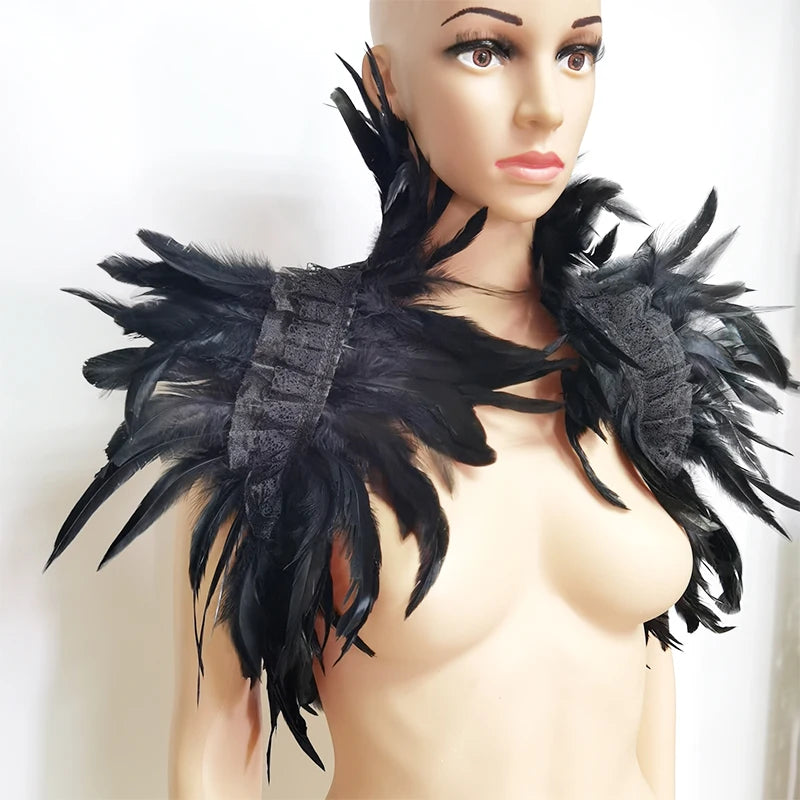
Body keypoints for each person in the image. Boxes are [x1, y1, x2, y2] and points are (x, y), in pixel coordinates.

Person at [46, 1, 798, 799]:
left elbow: (646, 657)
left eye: (577, 54)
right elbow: (220, 741)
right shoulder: (281, 383)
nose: (546, 106)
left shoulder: (638, 357)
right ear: (387, 82)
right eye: (485, 49)